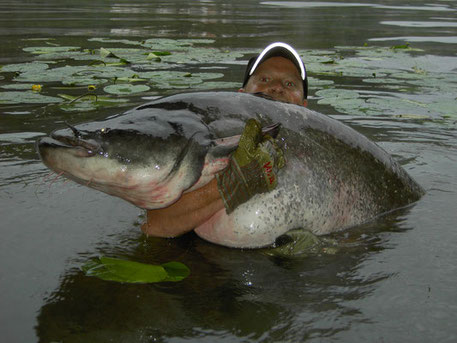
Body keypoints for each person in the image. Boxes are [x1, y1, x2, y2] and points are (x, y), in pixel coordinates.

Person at [141, 42, 308, 237]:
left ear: (305, 107)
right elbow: (153, 226)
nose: (277, 88)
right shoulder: (212, 143)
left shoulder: (322, 152)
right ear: (240, 95)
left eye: (290, 84)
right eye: (264, 78)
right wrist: (234, 181)